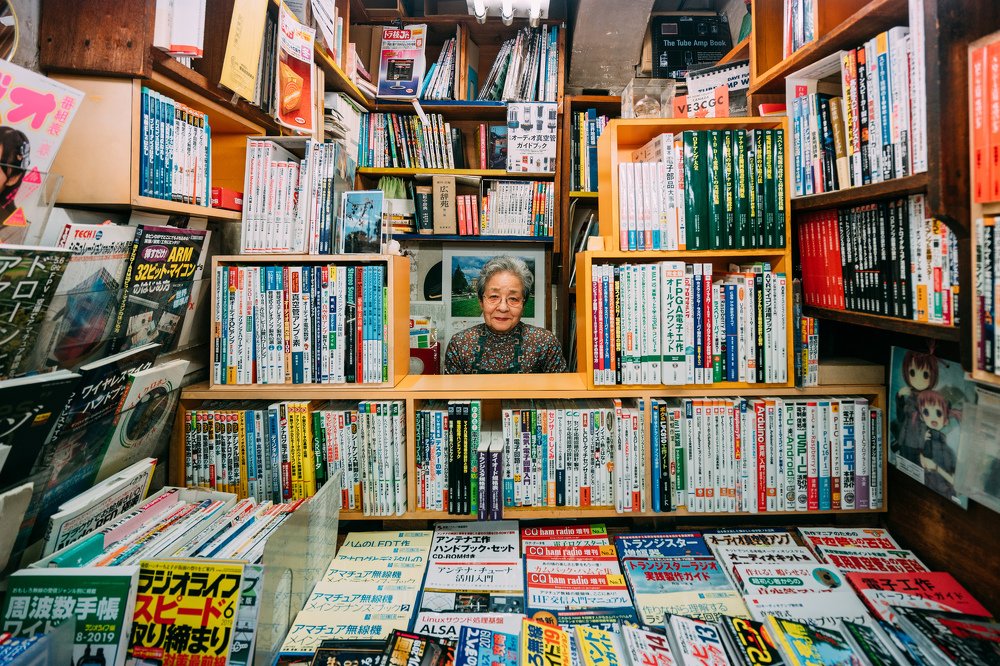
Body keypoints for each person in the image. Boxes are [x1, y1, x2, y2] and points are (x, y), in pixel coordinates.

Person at [445, 255, 566, 374]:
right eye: (494, 296)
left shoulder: (544, 343)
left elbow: (562, 387)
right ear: (481, 302)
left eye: (513, 298)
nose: (503, 308)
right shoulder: (460, 344)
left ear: (523, 304)